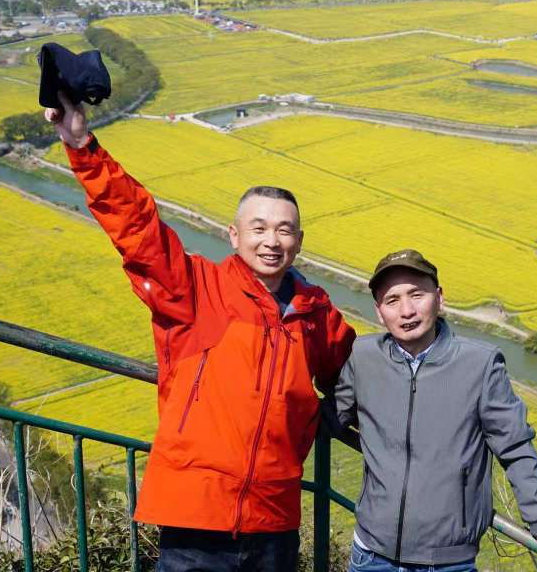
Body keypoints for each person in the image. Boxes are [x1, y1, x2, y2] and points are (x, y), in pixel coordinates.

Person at [46, 92, 356, 571]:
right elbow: (139, 231)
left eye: (284, 230)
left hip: (274, 519)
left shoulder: (314, 313)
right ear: (234, 235)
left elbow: (357, 370)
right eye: (258, 228)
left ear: (298, 241)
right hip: (196, 515)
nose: (271, 241)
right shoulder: (195, 288)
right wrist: (83, 147)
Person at [332, 249, 537, 572]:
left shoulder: (480, 365)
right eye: (392, 300)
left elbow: (515, 447)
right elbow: (331, 416)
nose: (406, 310)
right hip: (371, 553)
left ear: (440, 297)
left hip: (447, 561)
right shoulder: (364, 357)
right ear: (379, 312)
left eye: (417, 294)